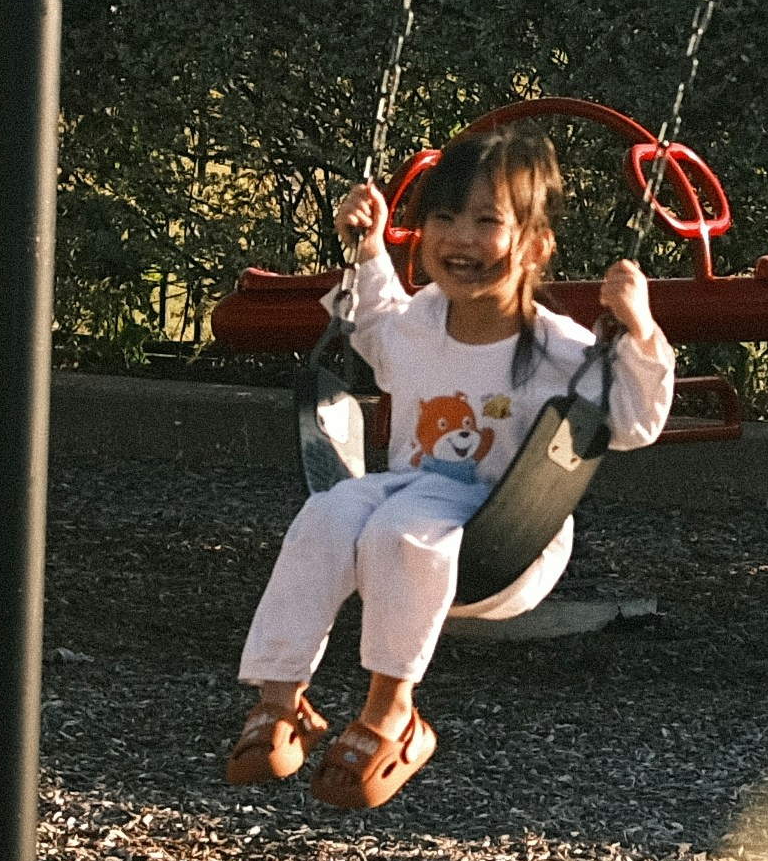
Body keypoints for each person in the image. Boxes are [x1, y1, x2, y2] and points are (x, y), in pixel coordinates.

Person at [229, 129, 676, 812]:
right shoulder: (418, 321)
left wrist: (640, 330)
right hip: (412, 495)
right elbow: (373, 324)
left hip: (506, 533)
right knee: (327, 514)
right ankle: (282, 704)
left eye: (486, 222)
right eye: (444, 219)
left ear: (535, 244)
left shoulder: (559, 348)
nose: (460, 240)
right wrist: (369, 245)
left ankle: (392, 712)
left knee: (399, 530)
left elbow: (634, 423)